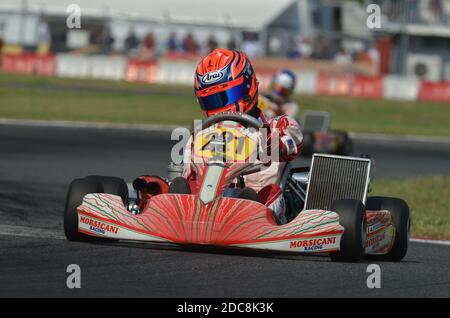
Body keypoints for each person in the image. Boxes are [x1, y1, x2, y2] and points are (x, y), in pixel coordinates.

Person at [183, 49, 303, 224]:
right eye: (213, 101)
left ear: (247, 86)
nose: (222, 107)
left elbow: (293, 140)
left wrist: (272, 143)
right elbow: (189, 178)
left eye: (226, 97)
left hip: (260, 206)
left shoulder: (276, 126)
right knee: (180, 184)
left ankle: (246, 216)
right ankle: (183, 216)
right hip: (205, 205)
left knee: (251, 198)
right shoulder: (200, 135)